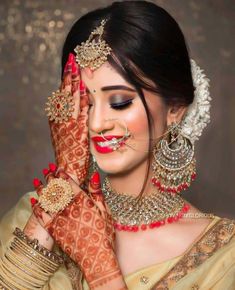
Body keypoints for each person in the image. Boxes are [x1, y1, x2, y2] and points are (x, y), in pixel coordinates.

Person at [0, 1, 234, 289]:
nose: (96, 123)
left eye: (120, 102)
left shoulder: (223, 258)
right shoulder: (34, 214)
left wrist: (100, 266)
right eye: (84, 102)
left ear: (174, 109)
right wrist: (65, 184)